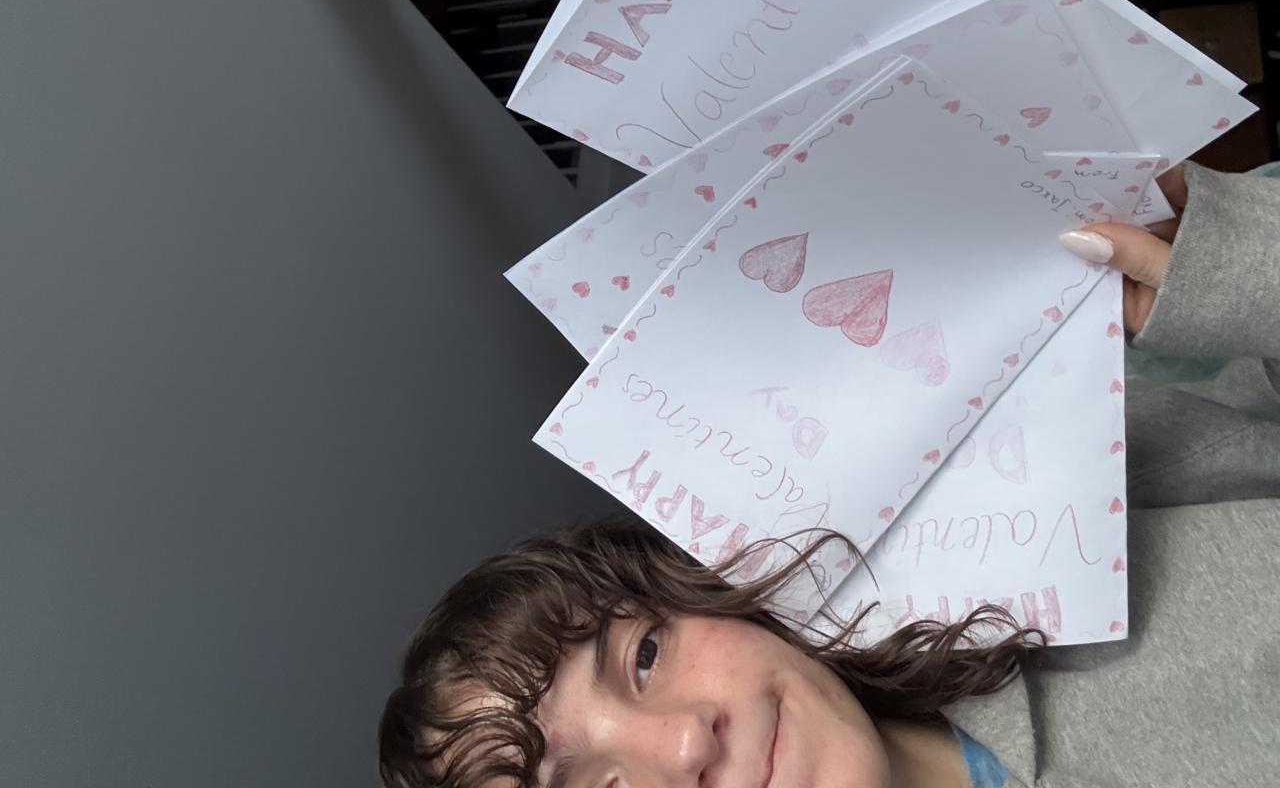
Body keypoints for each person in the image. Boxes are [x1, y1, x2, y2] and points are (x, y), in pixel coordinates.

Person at [379, 162, 1280, 788]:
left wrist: (1235, 274)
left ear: (703, 592)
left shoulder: (1056, 533)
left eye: (644, 655)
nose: (687, 741)